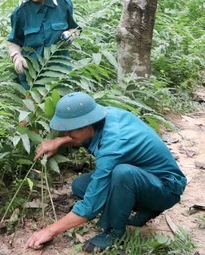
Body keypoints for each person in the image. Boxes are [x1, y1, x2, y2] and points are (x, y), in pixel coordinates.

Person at [25, 92, 187, 252]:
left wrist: (50, 230)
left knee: (122, 174)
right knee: (80, 186)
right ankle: (146, 208)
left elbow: (90, 206)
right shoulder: (103, 116)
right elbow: (84, 136)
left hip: (166, 188)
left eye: (70, 131)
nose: (66, 134)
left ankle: (114, 232)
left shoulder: (113, 144)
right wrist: (59, 141)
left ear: (87, 124)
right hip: (145, 177)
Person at [7, 0, 81, 89]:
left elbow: (75, 29)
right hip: (31, 78)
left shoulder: (63, 5)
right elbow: (14, 41)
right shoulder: (20, 13)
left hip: (59, 74)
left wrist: (70, 35)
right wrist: (17, 57)